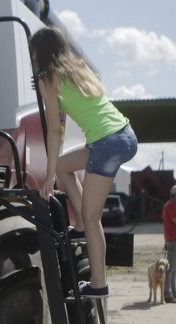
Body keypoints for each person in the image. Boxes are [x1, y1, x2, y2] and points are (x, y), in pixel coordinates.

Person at [31, 26, 138, 299]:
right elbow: (74, 104)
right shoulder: (79, 69)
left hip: (106, 143)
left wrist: (47, 177)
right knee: (64, 166)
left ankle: (98, 284)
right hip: (124, 135)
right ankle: (79, 226)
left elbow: (55, 130)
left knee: (93, 217)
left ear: (39, 53)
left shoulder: (48, 79)